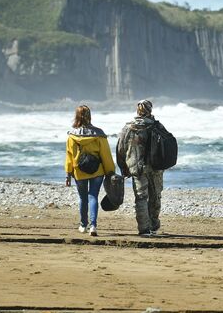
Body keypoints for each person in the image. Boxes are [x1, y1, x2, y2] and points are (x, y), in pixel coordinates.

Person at [116, 99, 165, 236]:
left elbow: (121, 148)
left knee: (141, 197)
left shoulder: (128, 127)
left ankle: (144, 229)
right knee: (155, 196)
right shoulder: (157, 126)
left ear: (138, 110)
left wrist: (123, 167)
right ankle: (154, 225)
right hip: (156, 168)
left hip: (136, 168)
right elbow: (167, 145)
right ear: (150, 110)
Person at [65, 105, 115, 237]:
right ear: (90, 116)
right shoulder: (99, 134)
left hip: (79, 171)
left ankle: (83, 225)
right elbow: (106, 155)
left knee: (83, 198)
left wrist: (68, 174)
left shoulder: (72, 135)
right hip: (97, 171)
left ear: (76, 116)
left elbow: (69, 156)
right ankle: (93, 225)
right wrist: (110, 171)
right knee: (93, 196)